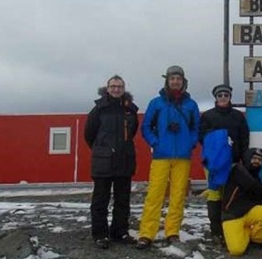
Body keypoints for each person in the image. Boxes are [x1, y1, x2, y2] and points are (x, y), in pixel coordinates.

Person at [136, 65, 200, 249]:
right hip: (161, 156)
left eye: (178, 79)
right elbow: (146, 127)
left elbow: (196, 127)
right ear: (167, 81)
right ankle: (147, 233)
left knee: (178, 195)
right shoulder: (156, 103)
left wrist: (191, 142)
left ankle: (172, 231)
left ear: (183, 82)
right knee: (154, 194)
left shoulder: (191, 104)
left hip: (183, 156)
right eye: (172, 78)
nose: (175, 82)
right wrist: (156, 143)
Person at [84, 75, 139, 249]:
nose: (116, 89)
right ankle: (100, 234)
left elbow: (133, 131)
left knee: (123, 199)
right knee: (101, 199)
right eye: (113, 86)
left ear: (124, 89)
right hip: (103, 162)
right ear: (107, 88)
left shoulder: (130, 110)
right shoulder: (98, 109)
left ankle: (120, 232)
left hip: (124, 160)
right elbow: (89, 134)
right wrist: (103, 149)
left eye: (120, 86)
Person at [199, 84, 250, 245]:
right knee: (214, 194)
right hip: (213, 163)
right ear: (215, 97)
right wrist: (218, 141)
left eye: (225, 95)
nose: (222, 97)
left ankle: (228, 227)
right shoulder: (207, 116)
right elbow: (202, 137)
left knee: (230, 194)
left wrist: (242, 158)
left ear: (230, 97)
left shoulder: (238, 116)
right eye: (220, 95)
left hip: (232, 162)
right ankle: (215, 231)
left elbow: (244, 138)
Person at [221, 147, 262, 256]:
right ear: (247, 158)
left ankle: (257, 240)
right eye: (254, 158)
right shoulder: (237, 169)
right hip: (232, 215)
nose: (257, 162)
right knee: (236, 250)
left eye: (260, 160)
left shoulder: (256, 177)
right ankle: (244, 232)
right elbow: (252, 186)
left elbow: (261, 199)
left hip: (249, 213)